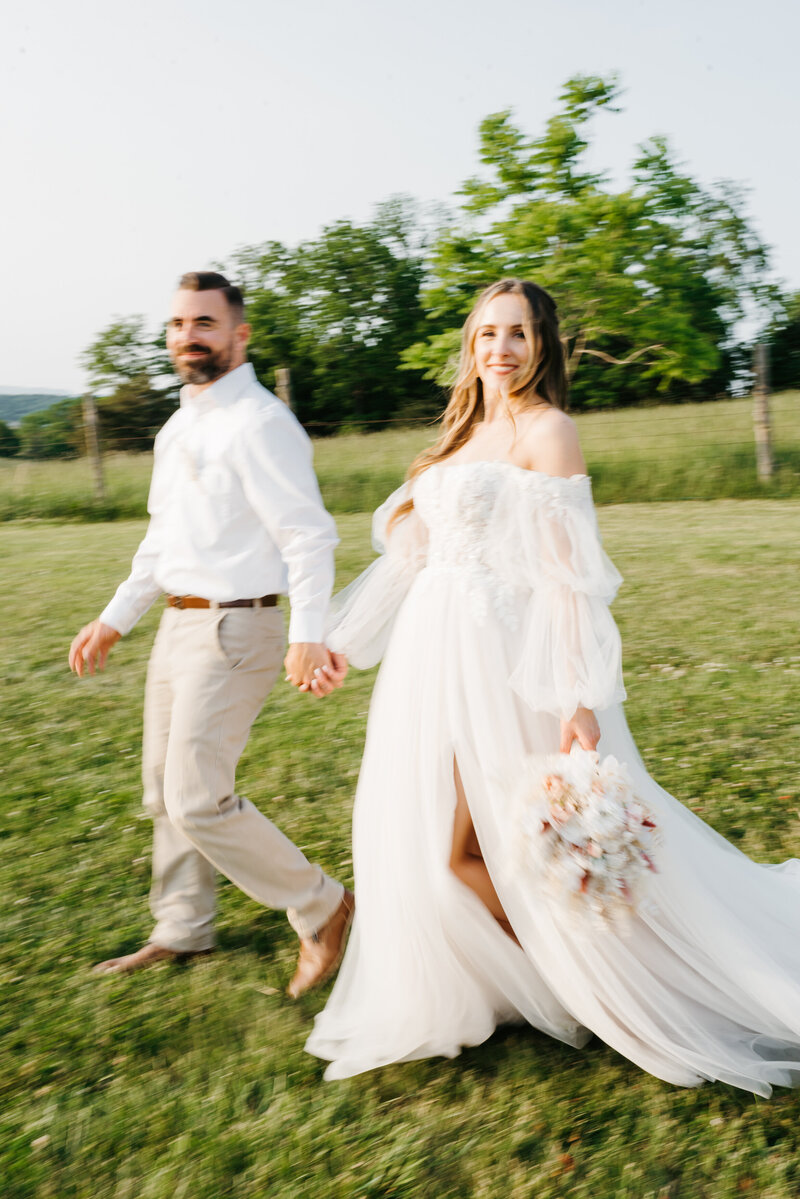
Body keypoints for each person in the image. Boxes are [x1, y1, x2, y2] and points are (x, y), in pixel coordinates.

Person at [305, 278, 800, 1094]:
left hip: (506, 663)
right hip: (431, 662)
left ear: (542, 348)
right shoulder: (460, 433)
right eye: (488, 333)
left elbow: (570, 579)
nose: (500, 348)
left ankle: (603, 978)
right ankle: (543, 975)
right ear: (470, 343)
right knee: (441, 843)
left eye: (519, 335)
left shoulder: (550, 432)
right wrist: (340, 644)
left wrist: (577, 696)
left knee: (500, 842)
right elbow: (412, 558)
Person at [69, 271, 353, 997]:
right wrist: (114, 618)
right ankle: (182, 928)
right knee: (164, 793)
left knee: (197, 796)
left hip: (238, 626)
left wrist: (306, 632)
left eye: (203, 323)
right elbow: (162, 540)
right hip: (176, 625)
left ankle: (325, 905)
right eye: (177, 324)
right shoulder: (178, 427)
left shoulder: (260, 422)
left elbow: (307, 535)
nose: (187, 336)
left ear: (239, 334)